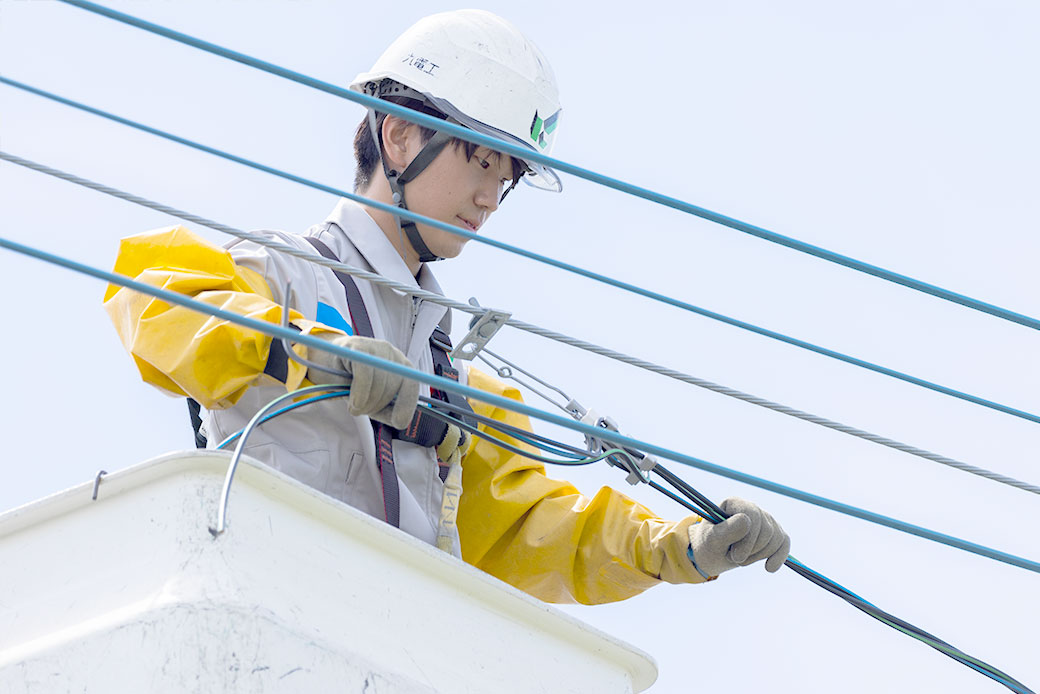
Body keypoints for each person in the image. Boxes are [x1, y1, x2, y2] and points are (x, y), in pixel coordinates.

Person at [103, 9, 790, 604]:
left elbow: (536, 524)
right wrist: (310, 349)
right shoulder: (285, 274)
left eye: (508, 176)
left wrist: (682, 545)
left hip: (399, 644)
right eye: (480, 161)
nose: (492, 198)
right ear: (400, 137)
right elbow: (158, 297)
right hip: (272, 610)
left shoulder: (451, 380)